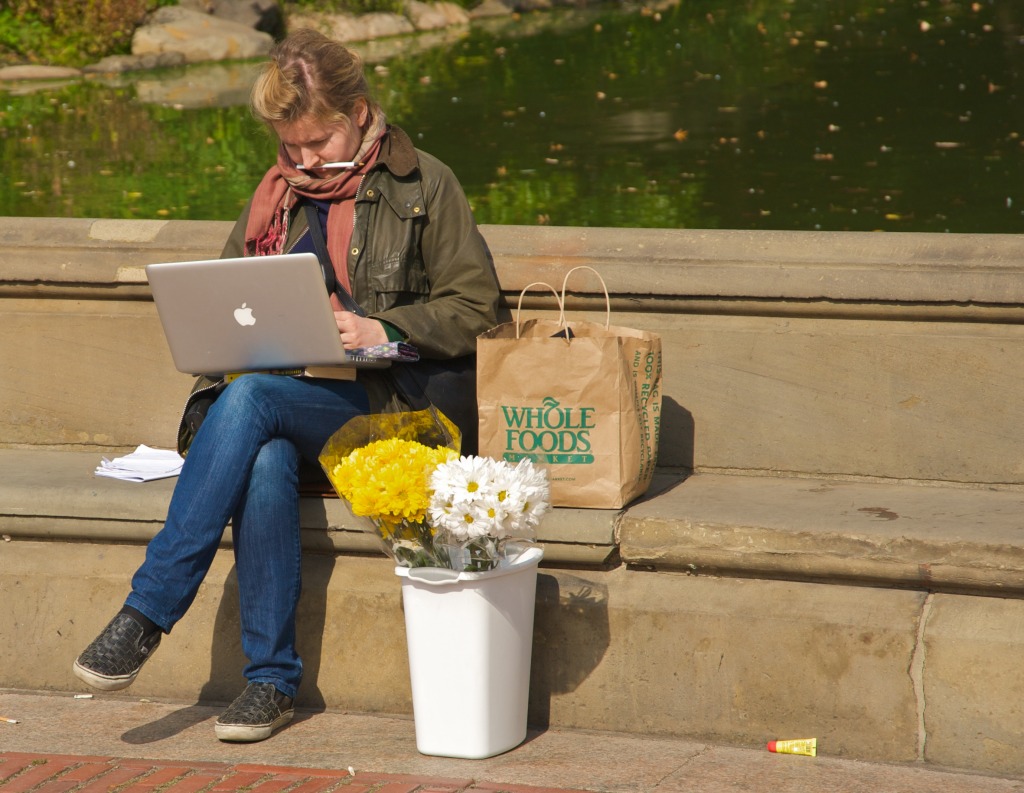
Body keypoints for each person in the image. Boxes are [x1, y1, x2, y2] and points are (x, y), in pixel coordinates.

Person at [72, 27, 501, 743]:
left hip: (397, 405)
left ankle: (147, 612)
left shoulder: (425, 183)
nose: (303, 161)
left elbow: (478, 306)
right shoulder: (275, 197)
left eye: (319, 142)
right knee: (262, 442)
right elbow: (219, 308)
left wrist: (381, 329)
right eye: (290, 146)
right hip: (291, 405)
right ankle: (269, 681)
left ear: (359, 113)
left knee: (255, 400)